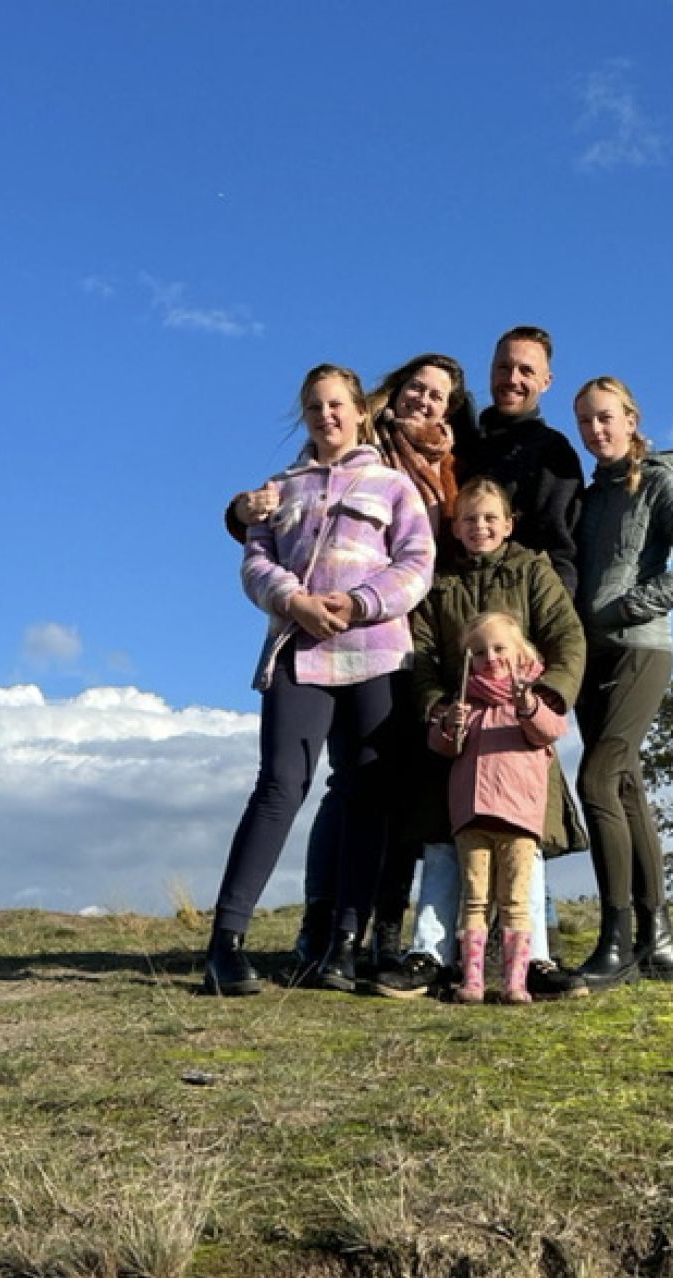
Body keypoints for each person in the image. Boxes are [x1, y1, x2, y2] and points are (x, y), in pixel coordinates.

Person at [227, 354, 471, 984]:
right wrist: (295, 601)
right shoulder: (279, 489)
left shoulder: (393, 486)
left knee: (366, 793)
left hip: (377, 654)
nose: (326, 415)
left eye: (338, 405)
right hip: (298, 652)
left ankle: (341, 944)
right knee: (279, 787)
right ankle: (226, 943)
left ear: (362, 412)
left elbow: (417, 563)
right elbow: (255, 563)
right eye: (314, 407)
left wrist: (361, 602)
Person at [372, 476, 588, 1001]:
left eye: (490, 518)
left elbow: (568, 638)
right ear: (454, 526)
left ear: (509, 524)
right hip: (456, 734)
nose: (480, 527)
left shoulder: (533, 571)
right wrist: (437, 709)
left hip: (521, 738)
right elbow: (420, 655)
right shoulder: (436, 579)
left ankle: (534, 958)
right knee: (443, 843)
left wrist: (546, 699)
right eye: (469, 519)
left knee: (525, 848)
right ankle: (429, 953)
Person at [571, 376, 673, 991]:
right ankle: (656, 942)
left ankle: (615, 939)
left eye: (606, 417)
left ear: (631, 419)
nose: (596, 430)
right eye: (585, 422)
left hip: (640, 652)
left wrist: (629, 606)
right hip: (589, 660)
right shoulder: (586, 496)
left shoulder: (656, 481)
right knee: (626, 789)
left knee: (597, 779)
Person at [431, 612, 568, 1004]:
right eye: (477, 652)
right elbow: (444, 747)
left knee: (515, 901)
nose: (488, 657)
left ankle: (514, 982)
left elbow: (550, 732)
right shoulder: (464, 704)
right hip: (472, 817)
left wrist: (526, 705)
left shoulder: (534, 698)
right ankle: (472, 981)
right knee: (474, 899)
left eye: (498, 648)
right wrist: (448, 727)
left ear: (519, 651)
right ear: (467, 661)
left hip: (520, 819)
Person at [462, 325, 585, 596]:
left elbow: (561, 553)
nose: (512, 379)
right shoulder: (462, 445)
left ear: (546, 381)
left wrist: (547, 627)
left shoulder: (554, 453)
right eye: (503, 367)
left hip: (518, 612)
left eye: (526, 371)